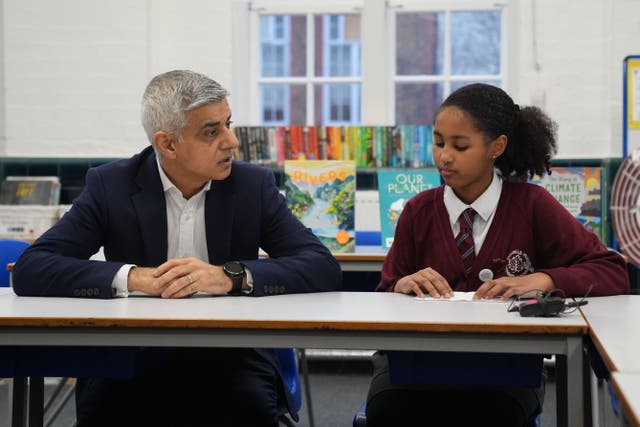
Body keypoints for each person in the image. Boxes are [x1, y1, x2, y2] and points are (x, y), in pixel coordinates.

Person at [12, 69, 342, 427]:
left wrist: (229, 276)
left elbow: (320, 265)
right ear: (167, 144)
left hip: (231, 354)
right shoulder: (111, 186)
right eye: (211, 132)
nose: (231, 141)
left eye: (228, 124)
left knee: (248, 407)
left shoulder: (252, 186)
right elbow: (34, 267)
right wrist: (135, 278)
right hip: (133, 352)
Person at [365, 83, 630, 426]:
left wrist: (545, 279)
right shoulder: (417, 211)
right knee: (391, 412)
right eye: (439, 142)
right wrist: (401, 284)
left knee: (491, 415)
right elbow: (384, 291)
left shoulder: (532, 205)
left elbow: (611, 270)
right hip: (415, 364)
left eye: (460, 146)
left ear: (497, 147)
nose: (444, 156)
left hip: (506, 367)